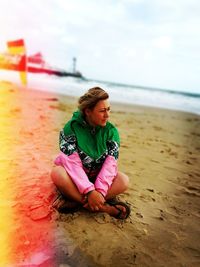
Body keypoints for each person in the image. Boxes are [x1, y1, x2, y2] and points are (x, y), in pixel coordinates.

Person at [51, 87, 130, 219]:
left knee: (124, 180)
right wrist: (89, 191)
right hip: (74, 179)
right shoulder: (70, 129)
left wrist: (99, 191)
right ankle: (101, 206)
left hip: (98, 180)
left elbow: (110, 165)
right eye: (102, 111)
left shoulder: (111, 132)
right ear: (88, 111)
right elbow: (72, 164)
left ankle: (79, 202)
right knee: (57, 173)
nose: (107, 115)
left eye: (108, 109)